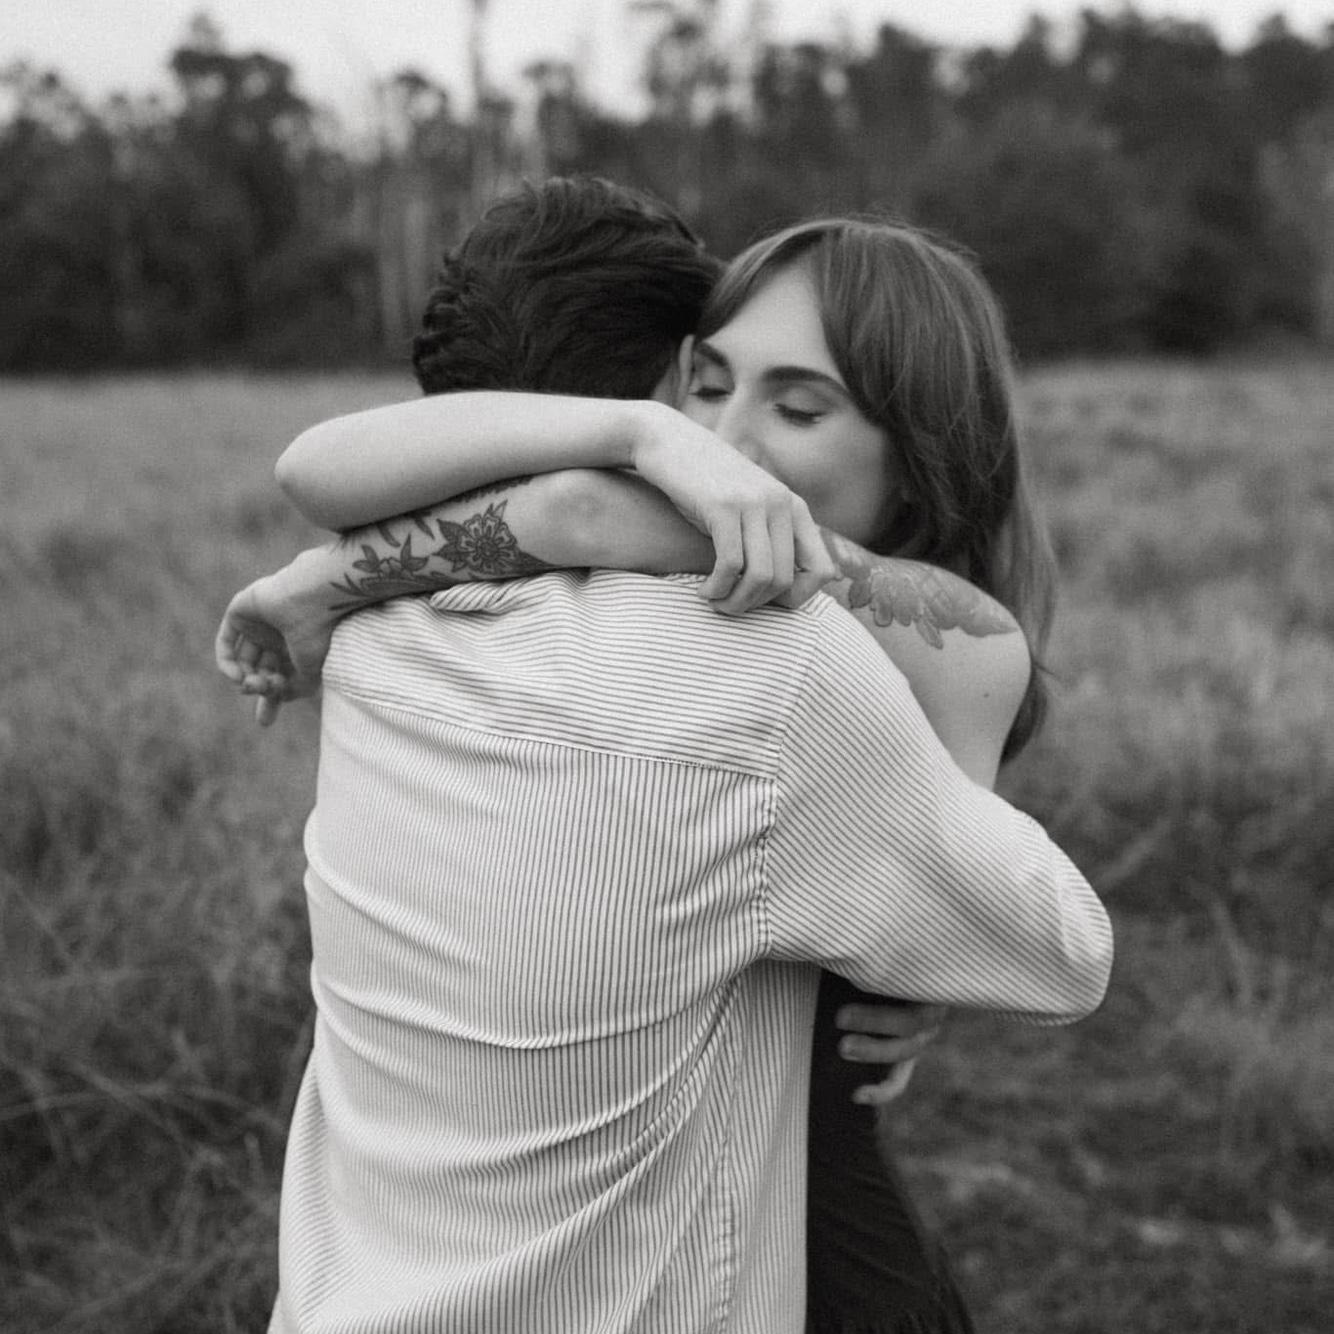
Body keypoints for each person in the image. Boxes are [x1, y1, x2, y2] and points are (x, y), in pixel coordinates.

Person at [219, 179, 1111, 1333]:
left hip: (802, 1232)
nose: (722, 444)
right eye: (706, 384)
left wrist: (342, 572)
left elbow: (566, 512)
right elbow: (331, 466)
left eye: (797, 405)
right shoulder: (750, 626)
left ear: (917, 452)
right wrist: (628, 444)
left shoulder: (900, 648)